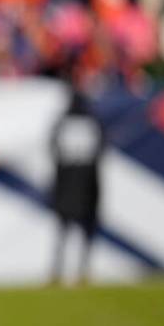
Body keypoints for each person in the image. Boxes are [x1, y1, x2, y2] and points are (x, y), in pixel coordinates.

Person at [49, 86, 105, 284]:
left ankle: (60, 272)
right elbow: (101, 150)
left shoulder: (62, 123)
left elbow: (53, 149)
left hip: (67, 185)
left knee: (64, 232)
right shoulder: (92, 123)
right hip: (87, 184)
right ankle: (80, 271)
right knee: (81, 232)